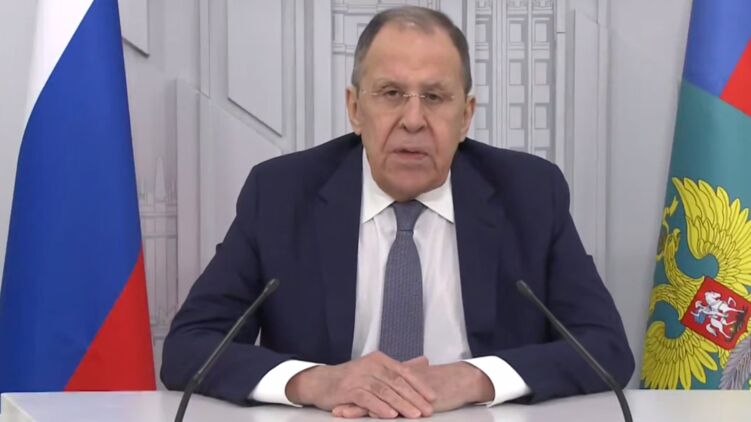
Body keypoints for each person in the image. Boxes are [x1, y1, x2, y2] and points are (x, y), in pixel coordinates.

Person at [161, 6, 634, 419]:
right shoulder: (282, 193)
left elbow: (605, 348)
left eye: (435, 97)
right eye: (390, 93)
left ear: (466, 115)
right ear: (354, 107)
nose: (412, 120)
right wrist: (314, 382)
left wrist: (474, 378)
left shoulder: (529, 193)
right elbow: (189, 347)